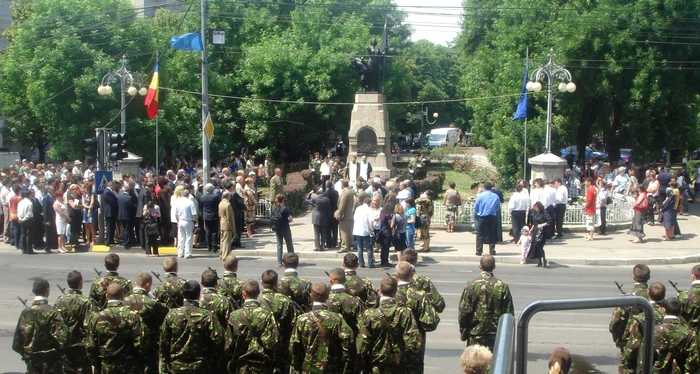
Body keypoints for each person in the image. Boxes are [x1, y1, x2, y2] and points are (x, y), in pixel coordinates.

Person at [356, 277, 422, 373]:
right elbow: (414, 342)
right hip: (399, 364)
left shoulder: (369, 314)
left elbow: (363, 343)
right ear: (396, 292)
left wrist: (362, 363)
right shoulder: (405, 313)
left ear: (380, 290)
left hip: (376, 364)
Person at [160, 280, 226, 372]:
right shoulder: (207, 316)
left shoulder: (172, 315)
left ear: (182, 293)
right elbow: (219, 340)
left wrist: (164, 370)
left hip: (177, 367)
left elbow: (164, 344)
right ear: (199, 295)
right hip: (201, 367)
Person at [289, 283, 356, 373]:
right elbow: (348, 341)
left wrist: (297, 366)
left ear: (311, 296)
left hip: (308, 368)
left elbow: (294, 346)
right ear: (327, 296)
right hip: (331, 368)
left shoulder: (302, 319)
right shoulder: (337, 318)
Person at [85, 283, 146, 372]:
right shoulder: (132, 316)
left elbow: (91, 346)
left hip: (106, 365)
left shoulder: (95, 318)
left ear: (106, 296)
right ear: (122, 296)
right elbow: (141, 343)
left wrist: (97, 364)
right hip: (129, 366)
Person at [458, 255, 514, 350]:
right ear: (494, 267)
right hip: (496, 334)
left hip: (476, 333)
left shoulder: (471, 285)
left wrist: (463, 330)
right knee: (495, 363)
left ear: (480, 266)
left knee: (476, 363)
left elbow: (464, 311)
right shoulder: (502, 286)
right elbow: (508, 313)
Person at [13, 279, 69, 374]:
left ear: (33, 291)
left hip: (32, 364)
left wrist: (28, 355)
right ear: (48, 290)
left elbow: (16, 344)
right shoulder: (53, 313)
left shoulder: (25, 314)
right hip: (52, 364)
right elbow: (63, 339)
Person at [394, 261, 440, 373]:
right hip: (415, 342)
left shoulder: (391, 292)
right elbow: (431, 323)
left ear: (396, 275)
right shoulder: (419, 295)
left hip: (392, 341)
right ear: (412, 275)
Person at [227, 279, 280, 373]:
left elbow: (230, 343)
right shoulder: (267, 315)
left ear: (243, 294)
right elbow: (272, 342)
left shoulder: (234, 315)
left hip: (242, 363)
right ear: (259, 293)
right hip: (262, 364)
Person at [124, 272, 169, 374]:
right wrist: (153, 299)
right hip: (149, 345)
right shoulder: (152, 303)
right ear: (148, 285)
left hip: (128, 344)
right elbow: (167, 314)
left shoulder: (125, 300)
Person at [620, 282, 667, 373]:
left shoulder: (642, 317)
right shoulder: (667, 313)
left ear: (648, 294)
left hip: (646, 362)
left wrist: (626, 361)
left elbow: (633, 345)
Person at [259, 270, 297, 373]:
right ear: (276, 284)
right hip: (281, 347)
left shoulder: (257, 300)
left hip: (260, 347)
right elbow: (293, 325)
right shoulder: (285, 301)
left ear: (262, 283)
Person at [650, 298, 700, 373]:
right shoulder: (688, 333)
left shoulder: (653, 331)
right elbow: (694, 359)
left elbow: (644, 357)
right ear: (680, 311)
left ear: (663, 310)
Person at [609, 264, 650, 351]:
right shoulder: (655, 296)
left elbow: (614, 325)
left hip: (630, 343)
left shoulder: (627, 299)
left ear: (633, 277)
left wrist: (620, 340)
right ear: (649, 277)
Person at [401, 248, 446, 313]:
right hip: (418, 320)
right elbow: (439, 304)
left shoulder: (392, 280)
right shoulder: (423, 280)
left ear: (402, 259)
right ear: (416, 261)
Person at [327, 268, 365, 336]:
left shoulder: (325, 300)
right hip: (352, 339)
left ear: (330, 281)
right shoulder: (355, 301)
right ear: (345, 280)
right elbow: (363, 324)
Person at [474, 182, 500, 256]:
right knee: (491, 233)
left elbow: (476, 206)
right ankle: (492, 250)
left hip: (482, 217)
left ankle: (479, 251)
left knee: (480, 234)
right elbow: (497, 207)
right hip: (492, 216)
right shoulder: (495, 196)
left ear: (484, 187)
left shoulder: (480, 196)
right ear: (491, 188)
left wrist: (477, 215)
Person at [175, 188, 198, 258]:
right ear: (188, 195)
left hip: (180, 220)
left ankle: (180, 253)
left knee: (181, 237)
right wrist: (196, 221)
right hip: (188, 221)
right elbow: (194, 214)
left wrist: (177, 221)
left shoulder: (178, 202)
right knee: (188, 237)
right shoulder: (190, 202)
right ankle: (187, 253)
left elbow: (175, 214)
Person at [527, 201, 550, 268]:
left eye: (537, 208)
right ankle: (539, 261)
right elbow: (535, 223)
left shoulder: (544, 212)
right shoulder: (535, 213)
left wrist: (542, 225)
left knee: (539, 246)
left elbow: (549, 221)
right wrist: (531, 229)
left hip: (543, 232)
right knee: (536, 246)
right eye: (535, 208)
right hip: (536, 231)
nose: (536, 209)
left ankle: (543, 259)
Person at [307, 187, 330, 252]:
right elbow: (329, 210)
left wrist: (309, 193)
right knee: (323, 233)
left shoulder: (314, 199)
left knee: (316, 233)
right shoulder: (327, 200)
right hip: (324, 217)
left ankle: (317, 247)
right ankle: (322, 246)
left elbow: (307, 200)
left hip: (316, 217)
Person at [335, 179, 355, 254]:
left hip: (345, 214)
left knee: (344, 231)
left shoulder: (345, 193)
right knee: (349, 231)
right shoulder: (351, 192)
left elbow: (342, 205)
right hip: (350, 214)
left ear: (342, 185)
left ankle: (344, 246)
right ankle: (348, 245)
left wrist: (339, 214)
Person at [200, 183, 221, 252]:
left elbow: (201, 207)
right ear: (212, 189)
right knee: (215, 231)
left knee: (208, 231)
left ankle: (209, 246)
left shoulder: (202, 197)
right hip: (214, 216)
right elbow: (218, 206)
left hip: (206, 216)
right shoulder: (215, 197)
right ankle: (214, 246)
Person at [353, 196, 374, 268]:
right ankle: (370, 263)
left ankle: (361, 263)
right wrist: (372, 229)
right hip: (366, 231)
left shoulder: (358, 208)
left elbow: (354, 218)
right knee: (369, 248)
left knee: (359, 247)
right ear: (369, 203)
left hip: (357, 230)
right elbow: (371, 221)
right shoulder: (369, 210)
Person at [218, 190, 236, 260]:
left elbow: (219, 214)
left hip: (222, 223)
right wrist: (232, 227)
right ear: (228, 196)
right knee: (227, 241)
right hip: (227, 225)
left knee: (222, 240)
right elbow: (230, 217)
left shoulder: (221, 203)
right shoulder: (227, 204)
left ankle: (221, 254)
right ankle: (225, 256)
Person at [117, 184, 137, 249]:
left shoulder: (119, 197)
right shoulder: (129, 198)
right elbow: (132, 207)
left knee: (124, 228)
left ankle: (124, 240)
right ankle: (126, 242)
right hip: (127, 216)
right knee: (127, 229)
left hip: (121, 215)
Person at [17, 190, 34, 254]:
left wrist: (20, 218)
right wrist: (24, 219)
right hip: (28, 220)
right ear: (29, 195)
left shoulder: (20, 202)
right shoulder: (30, 203)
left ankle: (24, 249)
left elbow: (18, 211)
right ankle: (29, 250)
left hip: (21, 218)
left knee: (23, 234)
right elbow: (29, 213)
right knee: (29, 235)